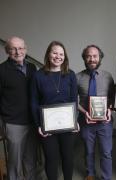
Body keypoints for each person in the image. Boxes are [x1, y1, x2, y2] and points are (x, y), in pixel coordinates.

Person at [31, 41, 78, 180]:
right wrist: (38, 124)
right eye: (55, 53)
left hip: (67, 124)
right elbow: (33, 102)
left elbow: (74, 99)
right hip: (47, 125)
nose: (58, 56)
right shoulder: (38, 76)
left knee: (68, 158)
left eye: (61, 54)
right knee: (51, 159)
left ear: (65, 57)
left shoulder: (70, 75)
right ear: (48, 54)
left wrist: (75, 120)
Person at [0, 36, 37, 180]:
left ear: (25, 49)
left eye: (21, 48)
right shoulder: (1, 70)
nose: (17, 52)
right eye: (13, 48)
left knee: (30, 160)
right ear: (7, 50)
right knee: (14, 163)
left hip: (32, 122)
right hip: (13, 124)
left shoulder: (33, 68)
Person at [76, 45, 114, 180]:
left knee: (106, 152)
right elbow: (73, 100)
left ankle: (106, 177)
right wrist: (84, 112)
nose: (92, 59)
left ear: (100, 58)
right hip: (86, 121)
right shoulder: (78, 77)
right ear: (84, 58)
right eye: (88, 56)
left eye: (95, 56)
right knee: (88, 151)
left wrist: (109, 109)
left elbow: (113, 97)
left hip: (105, 122)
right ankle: (90, 173)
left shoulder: (108, 76)